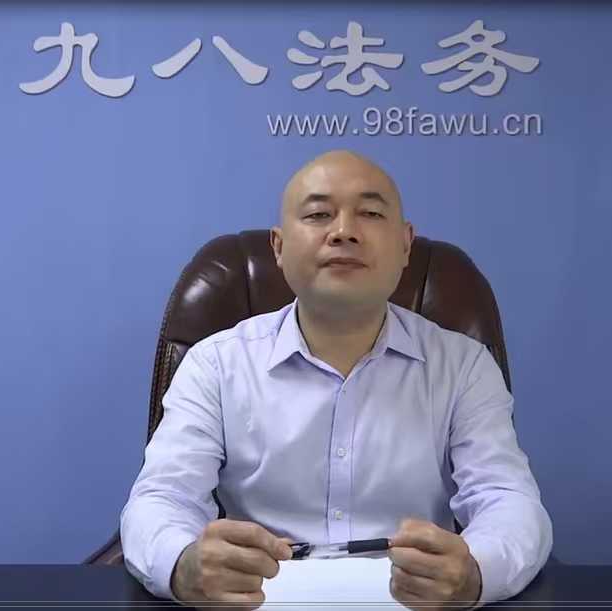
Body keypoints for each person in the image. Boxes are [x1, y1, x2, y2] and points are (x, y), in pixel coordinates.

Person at [120, 150, 553, 610]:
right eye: (318, 215)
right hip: (259, 599)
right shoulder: (216, 364)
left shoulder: (463, 365)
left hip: (413, 602)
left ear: (405, 244)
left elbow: (507, 500)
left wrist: (474, 573)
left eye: (370, 213)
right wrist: (183, 565)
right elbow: (163, 498)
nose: (344, 231)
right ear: (278, 247)